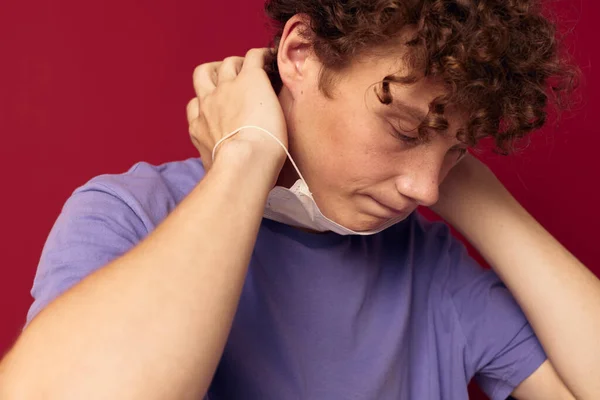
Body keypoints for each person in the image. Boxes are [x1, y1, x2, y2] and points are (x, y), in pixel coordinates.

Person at [0, 0, 597, 399]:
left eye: (456, 149)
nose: (425, 187)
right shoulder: (130, 212)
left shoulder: (433, 267)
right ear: (300, 54)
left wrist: (481, 201)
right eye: (405, 131)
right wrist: (246, 158)